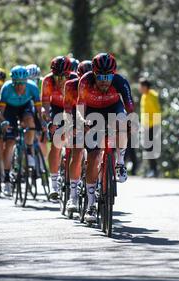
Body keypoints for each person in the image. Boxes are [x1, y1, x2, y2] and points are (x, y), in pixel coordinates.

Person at [77, 53, 135, 223]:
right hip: (91, 113)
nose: (104, 80)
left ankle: (120, 163)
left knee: (124, 122)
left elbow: (130, 108)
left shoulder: (120, 82)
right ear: (94, 74)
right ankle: (91, 205)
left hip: (113, 107)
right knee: (94, 157)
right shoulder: (86, 81)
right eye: (100, 76)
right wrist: (83, 122)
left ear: (113, 74)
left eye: (108, 76)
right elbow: (79, 109)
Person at [0, 65, 42, 197]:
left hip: (25, 107)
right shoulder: (6, 88)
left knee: (30, 121)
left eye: (23, 83)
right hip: (9, 109)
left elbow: (39, 110)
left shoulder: (32, 87)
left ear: (27, 82)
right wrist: (3, 121)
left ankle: (29, 151)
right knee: (9, 143)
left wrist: (43, 122)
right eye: (17, 83)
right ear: (12, 82)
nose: (20, 86)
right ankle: (6, 179)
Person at [41, 56, 77, 200]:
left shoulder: (75, 79)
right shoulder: (48, 81)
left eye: (64, 76)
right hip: (56, 108)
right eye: (58, 76)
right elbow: (45, 105)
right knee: (56, 143)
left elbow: (82, 103)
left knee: (76, 142)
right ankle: (54, 183)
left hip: (72, 108)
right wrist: (49, 121)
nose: (61, 79)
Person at [63, 60, 92, 213]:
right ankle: (72, 195)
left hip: (93, 114)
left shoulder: (95, 84)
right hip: (75, 115)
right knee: (77, 151)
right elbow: (67, 110)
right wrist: (71, 127)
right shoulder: (71, 85)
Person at [138, 77, 161, 178]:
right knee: (147, 147)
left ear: (146, 86)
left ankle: (154, 170)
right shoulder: (144, 96)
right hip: (145, 125)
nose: (140, 88)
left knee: (150, 147)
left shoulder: (153, 96)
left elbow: (157, 111)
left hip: (153, 125)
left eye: (141, 86)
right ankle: (152, 169)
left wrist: (156, 126)